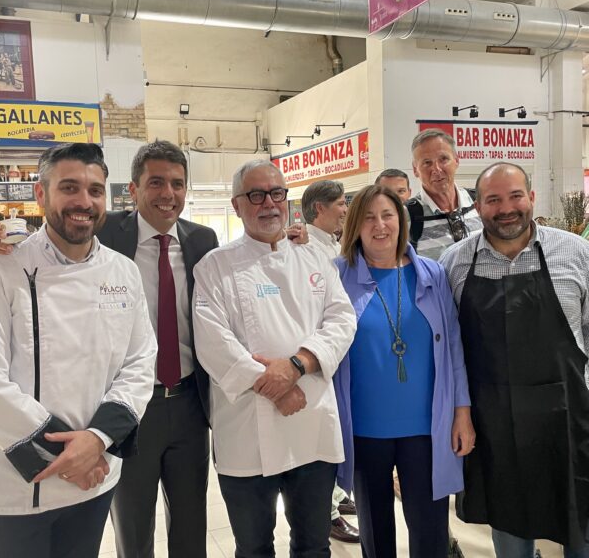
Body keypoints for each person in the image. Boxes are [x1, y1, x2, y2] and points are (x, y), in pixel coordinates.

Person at [0, 139, 219, 558]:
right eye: (156, 182)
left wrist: (291, 240)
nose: (168, 194)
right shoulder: (102, 229)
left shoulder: (203, 239)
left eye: (177, 184)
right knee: (131, 522)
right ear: (133, 189)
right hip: (124, 411)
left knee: (192, 519)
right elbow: (45, 238)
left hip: (187, 401)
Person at [0, 143, 157, 558]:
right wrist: (74, 453)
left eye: (95, 190)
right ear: (41, 194)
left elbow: (139, 364)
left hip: (92, 480)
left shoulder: (124, 272)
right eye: (70, 187)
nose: (84, 202)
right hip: (12, 488)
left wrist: (98, 439)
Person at [439, 162, 589, 557]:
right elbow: (448, 342)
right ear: (478, 207)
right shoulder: (455, 263)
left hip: (568, 417)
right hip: (496, 425)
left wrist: (573, 375)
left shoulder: (575, 251)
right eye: (493, 199)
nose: (506, 208)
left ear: (531, 198)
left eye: (515, 196)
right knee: (511, 534)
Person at [192, 159, 357, 558]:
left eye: (277, 193)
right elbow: (213, 341)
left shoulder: (315, 257)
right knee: (253, 549)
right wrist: (278, 389)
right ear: (237, 205)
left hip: (312, 422)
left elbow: (342, 319)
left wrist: (297, 364)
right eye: (256, 195)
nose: (269, 203)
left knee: (314, 546)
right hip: (247, 428)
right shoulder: (214, 266)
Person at [334, 184, 474, 558]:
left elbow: (454, 347)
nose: (379, 226)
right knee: (376, 534)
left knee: (430, 532)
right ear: (355, 227)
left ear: (402, 220)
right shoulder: (338, 277)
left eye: (387, 215)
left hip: (426, 428)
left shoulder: (432, 273)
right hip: (365, 429)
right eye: (368, 218)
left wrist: (462, 411)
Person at [300, 179, 359, 544]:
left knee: (337, 435)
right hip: (315, 360)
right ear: (318, 209)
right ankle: (329, 513)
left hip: (337, 354)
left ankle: (338, 495)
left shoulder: (332, 245)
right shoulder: (303, 247)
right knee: (322, 439)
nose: (344, 209)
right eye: (339, 203)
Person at [406, 129, 483, 259]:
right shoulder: (406, 216)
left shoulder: (480, 202)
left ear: (457, 161)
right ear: (415, 170)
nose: (436, 169)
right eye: (427, 162)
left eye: (443, 159)